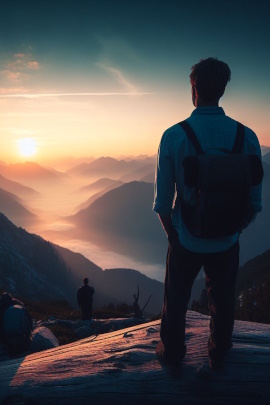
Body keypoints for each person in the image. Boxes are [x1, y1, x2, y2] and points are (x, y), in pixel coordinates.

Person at [153, 57, 263, 369]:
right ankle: (218, 352)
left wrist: (174, 235)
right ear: (223, 89)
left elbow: (162, 203)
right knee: (224, 298)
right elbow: (254, 203)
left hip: (185, 237)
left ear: (194, 88)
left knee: (176, 300)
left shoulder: (174, 136)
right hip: (228, 238)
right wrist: (235, 228)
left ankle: (172, 354)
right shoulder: (247, 137)